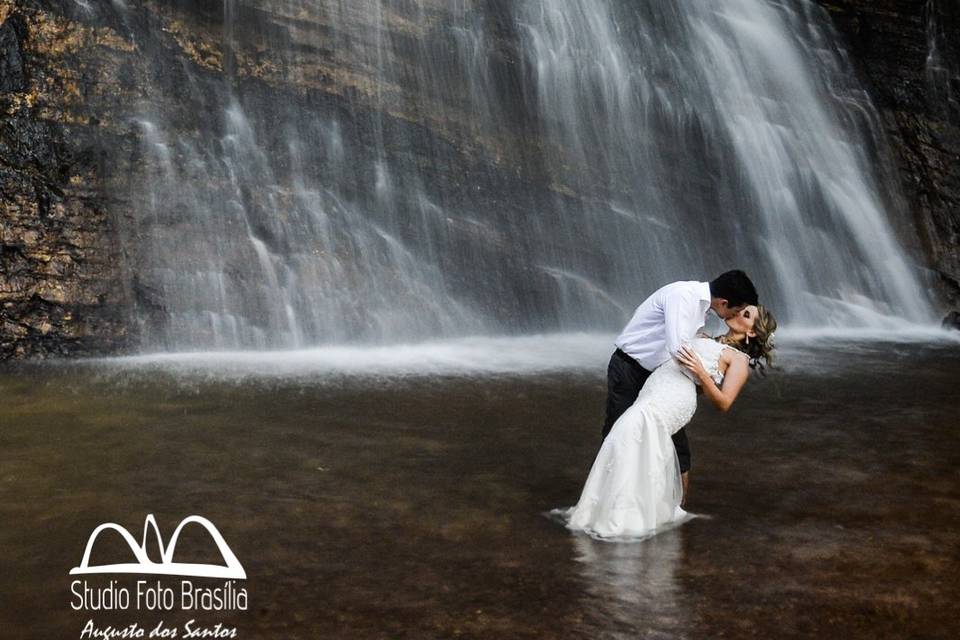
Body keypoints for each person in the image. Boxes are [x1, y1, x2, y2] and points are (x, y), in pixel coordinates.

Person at [555, 304, 777, 539]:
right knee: (629, 439)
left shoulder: (739, 360)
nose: (737, 312)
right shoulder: (708, 338)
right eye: (741, 308)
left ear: (752, 331)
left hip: (672, 399)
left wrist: (701, 373)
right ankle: (612, 511)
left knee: (631, 430)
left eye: (746, 314)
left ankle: (627, 519)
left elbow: (723, 402)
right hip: (656, 388)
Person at [602, 270, 759, 505]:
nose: (733, 316)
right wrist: (701, 379)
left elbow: (687, 352)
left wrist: (694, 384)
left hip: (660, 379)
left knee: (677, 448)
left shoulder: (701, 310)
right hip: (630, 369)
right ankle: (610, 502)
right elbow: (679, 351)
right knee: (619, 435)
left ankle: (676, 510)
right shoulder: (683, 296)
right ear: (723, 303)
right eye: (736, 311)